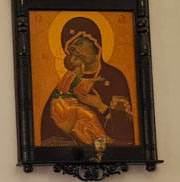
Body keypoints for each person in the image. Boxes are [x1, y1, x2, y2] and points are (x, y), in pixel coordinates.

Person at [40, 16, 135, 147]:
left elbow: (125, 131)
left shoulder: (115, 77)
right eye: (72, 49)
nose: (77, 51)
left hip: (109, 151)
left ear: (95, 43)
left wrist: (101, 107)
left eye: (80, 43)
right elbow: (49, 128)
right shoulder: (69, 81)